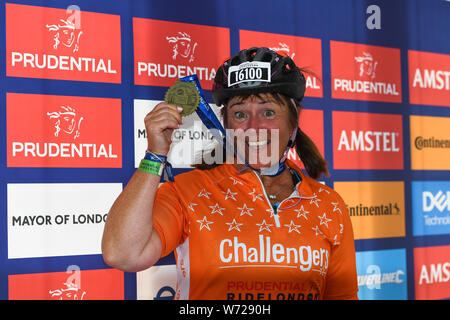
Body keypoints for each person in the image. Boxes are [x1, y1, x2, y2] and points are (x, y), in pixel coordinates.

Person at [102, 47, 358, 300]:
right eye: (239, 113)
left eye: (268, 112)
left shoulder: (329, 205)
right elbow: (123, 253)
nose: (253, 126)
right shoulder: (188, 191)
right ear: (226, 124)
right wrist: (155, 156)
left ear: (293, 122)